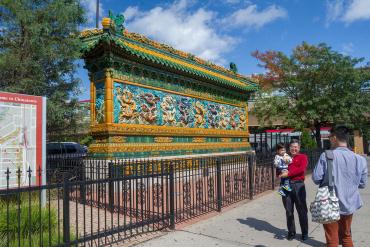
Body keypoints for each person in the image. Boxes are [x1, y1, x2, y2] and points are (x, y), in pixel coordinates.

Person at [312, 126, 368, 247]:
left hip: (329, 203)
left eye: (330, 137)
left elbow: (316, 178)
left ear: (334, 138)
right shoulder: (360, 159)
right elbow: (363, 184)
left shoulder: (326, 156)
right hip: (350, 203)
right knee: (346, 236)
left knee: (332, 239)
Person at [279, 139, 309, 241]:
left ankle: (304, 232)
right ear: (289, 148)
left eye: (296, 147)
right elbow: (279, 168)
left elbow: (301, 169)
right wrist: (279, 172)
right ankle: (291, 232)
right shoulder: (284, 157)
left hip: (298, 185)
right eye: (292, 147)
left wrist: (288, 173)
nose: (294, 149)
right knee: (288, 211)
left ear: (299, 148)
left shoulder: (302, 157)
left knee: (302, 211)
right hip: (285, 185)